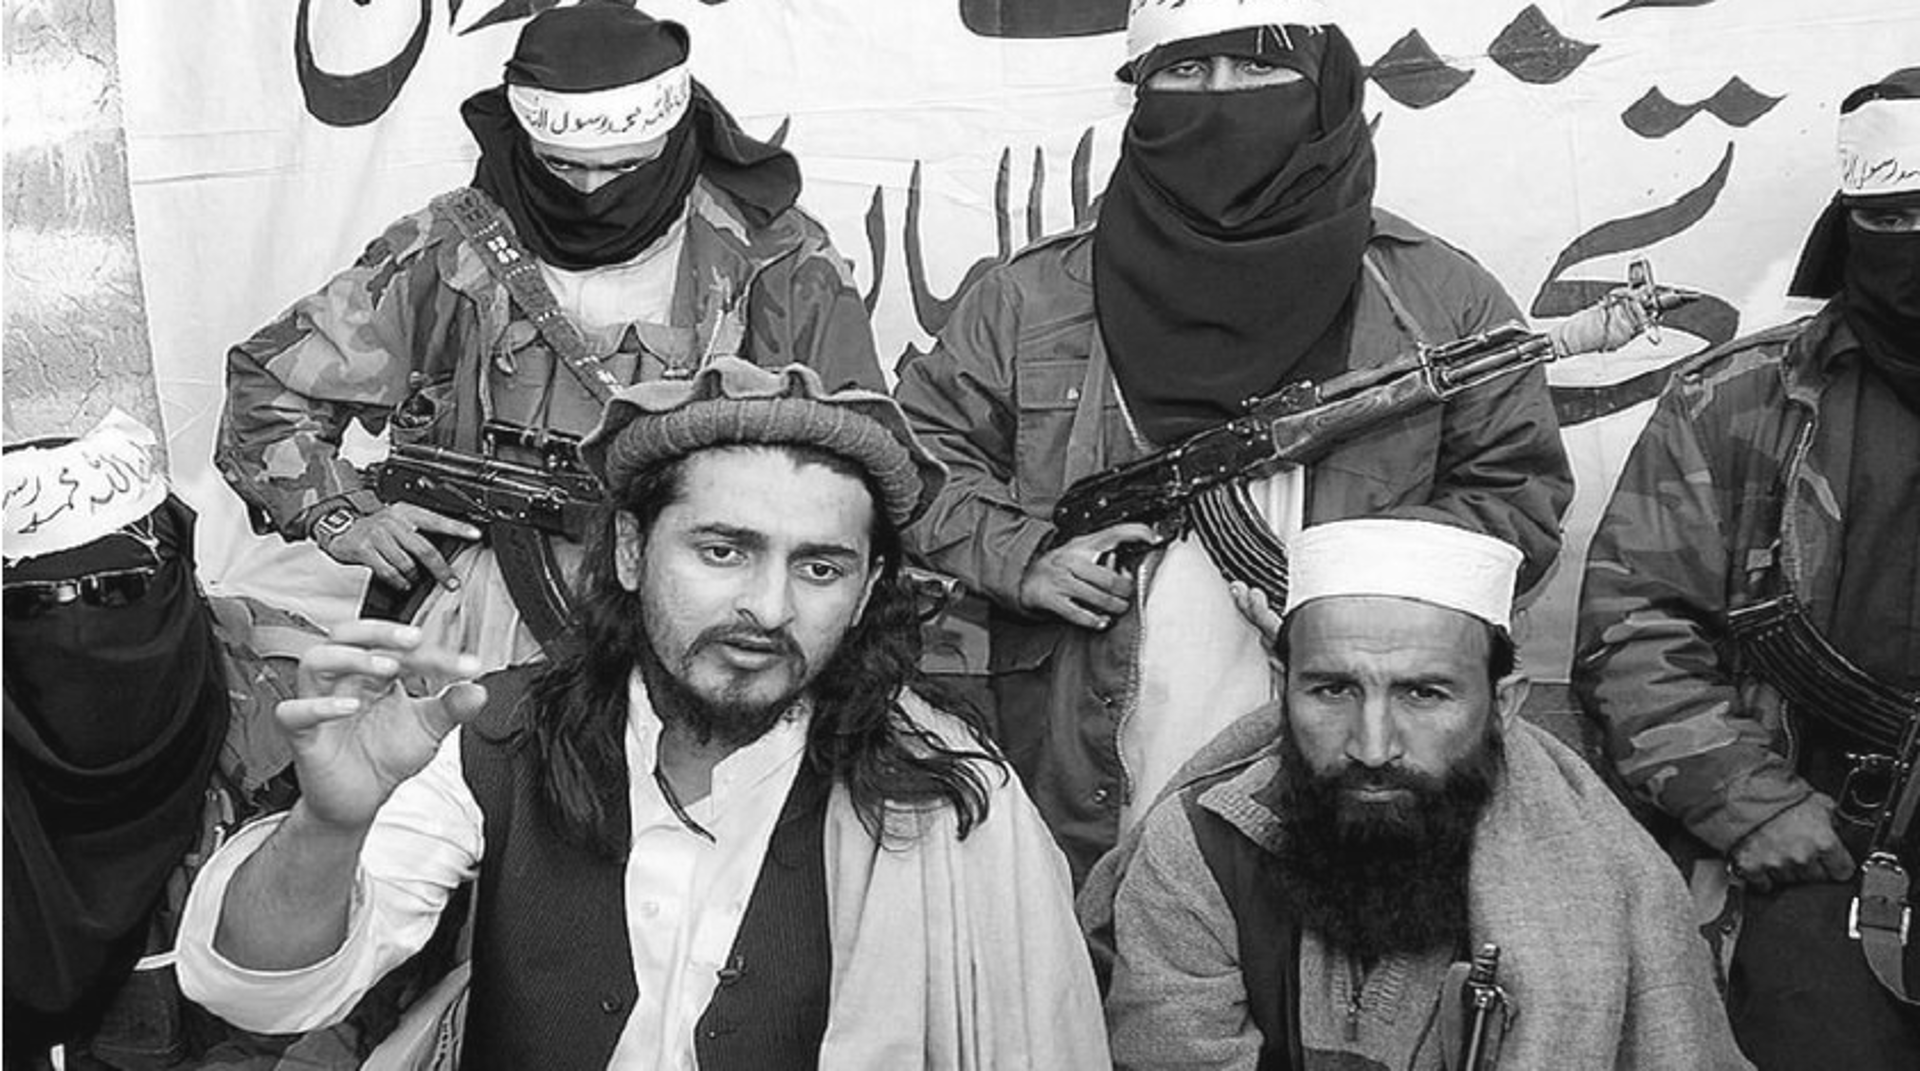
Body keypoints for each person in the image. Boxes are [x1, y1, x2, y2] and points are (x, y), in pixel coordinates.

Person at [176, 359, 1110, 1069]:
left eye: (819, 567)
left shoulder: (948, 800)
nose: (769, 607)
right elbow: (261, 992)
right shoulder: (493, 732)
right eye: (723, 550)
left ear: (866, 594)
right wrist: (327, 824)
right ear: (630, 550)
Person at [893, 0, 1571, 880]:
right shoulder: (1032, 298)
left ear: (1326, 91)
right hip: (1080, 772)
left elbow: (1519, 498)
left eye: (1259, 70)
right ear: (1140, 92)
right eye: (1185, 71)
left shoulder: (1438, 300)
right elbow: (909, 459)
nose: (1221, 99)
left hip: (1349, 769)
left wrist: (1353, 586)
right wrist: (1022, 558)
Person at [217, 0, 883, 671]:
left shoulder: (778, 259)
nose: (593, 190)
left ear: (675, 136)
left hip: (704, 631)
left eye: (625, 168)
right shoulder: (452, 250)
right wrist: (339, 513)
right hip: (477, 622)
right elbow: (268, 391)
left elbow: (863, 460)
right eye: (563, 167)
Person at [1082, 518, 1749, 1070]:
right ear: (1281, 686)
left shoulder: (1609, 873)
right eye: (1333, 689)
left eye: (1423, 693)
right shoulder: (1205, 846)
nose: (1373, 746)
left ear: (1503, 706)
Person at [1573, 67, 1920, 1070]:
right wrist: (1748, 803)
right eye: (1895, 217)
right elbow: (1634, 633)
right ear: (1850, 227)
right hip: (1819, 853)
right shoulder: (1737, 404)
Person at [2, 411, 343, 1068]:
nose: (81, 633)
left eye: (120, 592)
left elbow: (368, 963)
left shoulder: (297, 702)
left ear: (178, 575)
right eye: (31, 605)